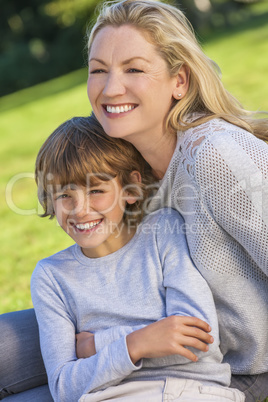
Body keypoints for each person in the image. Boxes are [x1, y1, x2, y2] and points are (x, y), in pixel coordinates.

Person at [84, 1, 268, 401]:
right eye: (98, 69)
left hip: (236, 369)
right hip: (141, 339)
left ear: (179, 81)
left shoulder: (214, 156)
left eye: (133, 69)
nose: (110, 88)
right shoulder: (131, 169)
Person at [30, 114, 244, 402]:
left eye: (96, 190)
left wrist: (97, 346)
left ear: (130, 189)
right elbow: (64, 387)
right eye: (65, 195)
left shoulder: (162, 233)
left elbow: (198, 343)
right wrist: (136, 344)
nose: (79, 210)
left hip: (189, 391)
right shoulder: (51, 276)